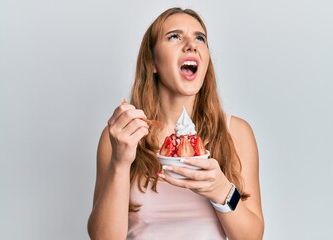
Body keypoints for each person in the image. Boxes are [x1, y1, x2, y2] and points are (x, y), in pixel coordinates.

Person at [87, 7, 264, 239]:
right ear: (152, 62)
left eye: (200, 38)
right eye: (174, 36)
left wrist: (222, 190)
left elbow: (252, 237)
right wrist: (120, 162)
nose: (192, 45)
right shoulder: (121, 136)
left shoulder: (236, 132)